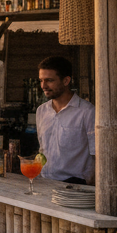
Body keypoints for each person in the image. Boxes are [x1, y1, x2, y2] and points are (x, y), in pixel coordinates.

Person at [36, 55, 96, 183]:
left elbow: (97, 155)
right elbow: (42, 149)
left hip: (75, 185)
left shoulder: (87, 112)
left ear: (66, 81)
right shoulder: (41, 111)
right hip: (45, 182)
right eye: (41, 80)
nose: (43, 86)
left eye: (49, 80)